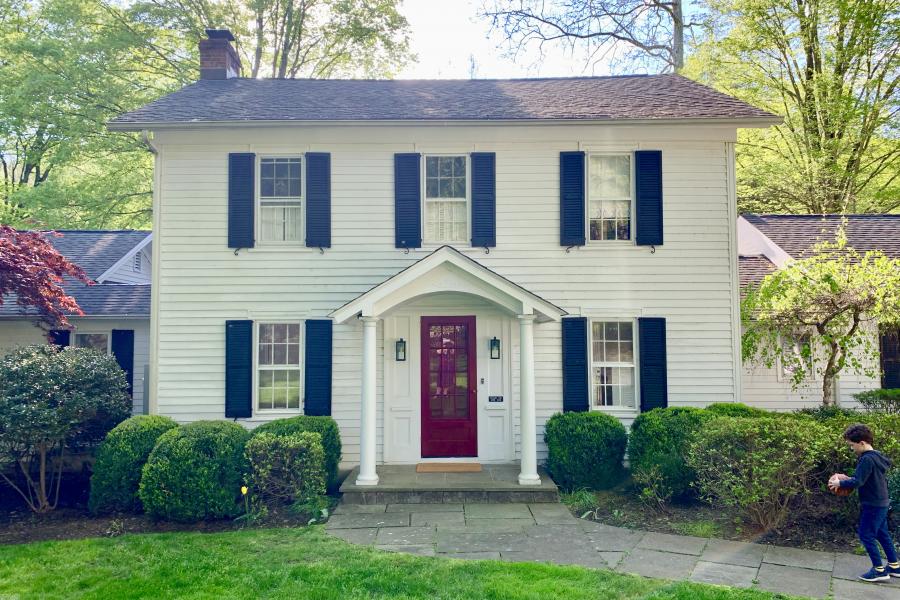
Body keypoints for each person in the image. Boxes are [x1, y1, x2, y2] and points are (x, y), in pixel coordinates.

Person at [829, 423, 899, 583]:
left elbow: (859, 481)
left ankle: (879, 570)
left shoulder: (866, 459)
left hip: (873, 504)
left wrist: (840, 483)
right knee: (882, 534)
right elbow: (863, 478)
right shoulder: (877, 456)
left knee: (866, 534)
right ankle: (895, 566)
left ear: (861, 443)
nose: (851, 448)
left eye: (852, 445)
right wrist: (848, 479)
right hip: (881, 501)